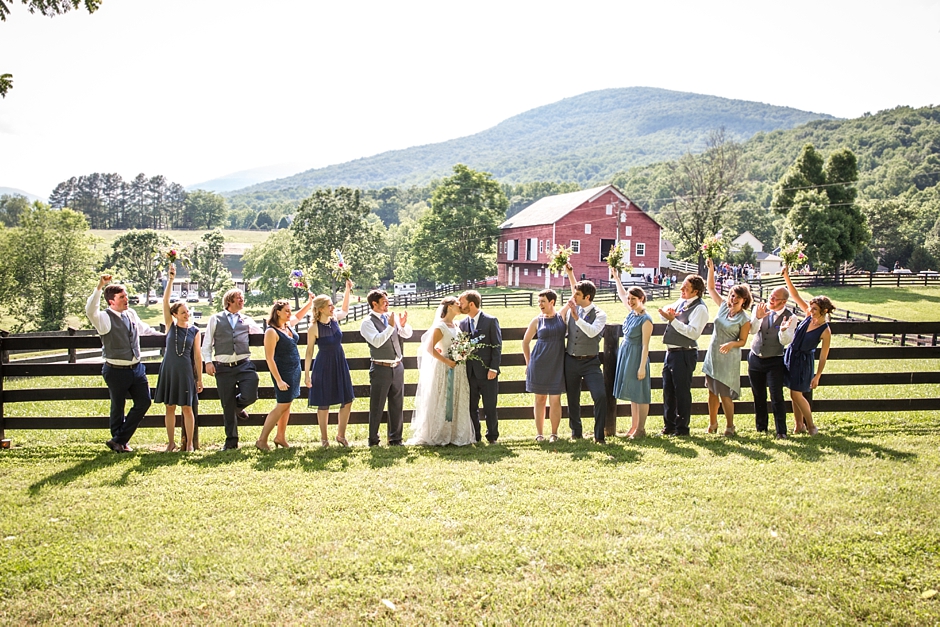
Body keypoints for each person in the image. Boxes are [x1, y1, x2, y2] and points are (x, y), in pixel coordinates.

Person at [86, 274, 162, 453]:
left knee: (144, 402)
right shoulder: (103, 319)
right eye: (122, 297)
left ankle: (118, 440)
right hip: (115, 370)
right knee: (117, 407)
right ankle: (120, 443)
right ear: (111, 301)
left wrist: (165, 337)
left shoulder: (130, 314)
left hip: (136, 368)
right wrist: (99, 286)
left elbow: (145, 330)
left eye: (126, 296)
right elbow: (90, 310)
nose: (127, 299)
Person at [407, 296, 475, 446]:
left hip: (458, 368)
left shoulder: (455, 325)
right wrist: (446, 361)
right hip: (445, 368)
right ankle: (441, 433)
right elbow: (429, 347)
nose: (460, 306)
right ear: (449, 307)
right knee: (444, 398)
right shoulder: (441, 326)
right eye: (457, 304)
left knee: (457, 398)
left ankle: (455, 433)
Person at [202, 288, 264, 450]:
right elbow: (207, 343)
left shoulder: (246, 319)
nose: (242, 300)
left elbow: (262, 334)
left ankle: (238, 407)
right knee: (226, 404)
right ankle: (231, 441)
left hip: (244, 364)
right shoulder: (215, 319)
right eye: (239, 298)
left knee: (251, 392)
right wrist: (208, 362)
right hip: (223, 367)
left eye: (242, 298)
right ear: (229, 301)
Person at [255, 294, 315, 451]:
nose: (289, 314)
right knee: (282, 405)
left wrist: (309, 303)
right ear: (278, 312)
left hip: (294, 370)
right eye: (286, 311)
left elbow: (298, 316)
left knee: (287, 405)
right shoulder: (271, 332)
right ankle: (262, 440)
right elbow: (269, 358)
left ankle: (280, 437)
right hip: (282, 372)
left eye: (289, 311)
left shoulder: (287, 326)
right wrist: (279, 380)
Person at [154, 264, 203, 452]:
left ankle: (189, 443)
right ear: (175, 315)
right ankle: (171, 443)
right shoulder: (171, 326)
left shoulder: (195, 331)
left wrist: (199, 378)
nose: (186, 314)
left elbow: (197, 357)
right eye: (182, 312)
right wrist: (171, 279)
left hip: (185, 372)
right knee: (169, 407)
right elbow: (165, 301)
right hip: (169, 371)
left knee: (187, 408)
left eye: (187, 311)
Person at [701, 259, 752, 436]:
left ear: (744, 299)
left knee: (725, 394)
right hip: (714, 354)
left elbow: (743, 341)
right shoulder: (723, 307)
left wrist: (732, 344)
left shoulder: (744, 319)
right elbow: (711, 289)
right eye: (731, 295)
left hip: (728, 357)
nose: (733, 298)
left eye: (737, 296)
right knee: (711, 393)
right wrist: (711, 270)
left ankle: (730, 426)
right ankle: (712, 423)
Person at [781, 267, 833, 436]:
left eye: (815, 310)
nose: (811, 312)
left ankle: (811, 426)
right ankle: (798, 425)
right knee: (793, 393)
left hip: (804, 362)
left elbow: (824, 355)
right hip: (791, 356)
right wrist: (786, 276)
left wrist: (817, 376)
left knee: (797, 394)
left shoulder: (825, 331)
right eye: (810, 308)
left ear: (824, 311)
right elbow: (795, 295)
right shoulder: (807, 315)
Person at [304, 280, 355, 448]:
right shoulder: (313, 328)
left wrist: (348, 289)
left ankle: (341, 435)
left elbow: (346, 310)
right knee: (323, 403)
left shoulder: (335, 320)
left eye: (332, 305)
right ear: (320, 309)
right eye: (329, 305)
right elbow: (309, 351)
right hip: (324, 365)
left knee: (347, 399)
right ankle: (324, 439)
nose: (333, 308)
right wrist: (306, 375)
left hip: (340, 363)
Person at [657, 273, 708, 436]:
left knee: (682, 392)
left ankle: (682, 428)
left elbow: (693, 333)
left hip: (685, 353)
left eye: (686, 288)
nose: (681, 289)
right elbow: (664, 313)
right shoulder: (682, 302)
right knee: (668, 391)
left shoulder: (700, 308)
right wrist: (667, 312)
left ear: (696, 292)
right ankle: (669, 426)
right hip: (671, 352)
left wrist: (673, 320)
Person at [360, 289, 413, 446]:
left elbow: (407, 334)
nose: (387, 305)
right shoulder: (367, 323)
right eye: (384, 303)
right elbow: (377, 341)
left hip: (397, 366)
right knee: (377, 405)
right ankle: (373, 439)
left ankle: (396, 438)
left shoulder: (391, 318)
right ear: (374, 304)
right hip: (380, 367)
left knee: (397, 404)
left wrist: (402, 326)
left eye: (387, 302)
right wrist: (390, 327)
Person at [562, 263, 608, 443]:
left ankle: (599, 435)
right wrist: (570, 273)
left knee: (600, 395)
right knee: (572, 398)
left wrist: (576, 318)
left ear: (587, 297)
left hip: (590, 362)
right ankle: (576, 432)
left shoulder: (600, 314)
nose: (574, 297)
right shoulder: (574, 309)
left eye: (578, 295)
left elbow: (592, 332)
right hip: (571, 360)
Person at [748, 286, 796, 439]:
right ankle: (761, 427)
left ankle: (781, 431)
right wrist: (757, 317)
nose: (771, 300)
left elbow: (786, 341)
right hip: (756, 357)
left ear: (784, 301)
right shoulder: (759, 308)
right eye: (771, 296)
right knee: (758, 394)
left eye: (775, 298)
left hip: (774, 360)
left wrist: (782, 330)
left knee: (776, 395)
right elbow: (752, 330)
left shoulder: (791, 317)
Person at [611, 268, 653, 439]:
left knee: (640, 392)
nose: (630, 301)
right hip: (626, 354)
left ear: (641, 299)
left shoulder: (645, 319)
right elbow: (622, 294)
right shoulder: (632, 314)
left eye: (633, 299)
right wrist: (616, 278)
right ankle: (634, 425)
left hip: (637, 356)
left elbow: (645, 345)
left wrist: (642, 366)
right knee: (633, 395)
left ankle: (641, 429)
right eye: (629, 299)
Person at [522, 289, 569, 442]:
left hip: (557, 364)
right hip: (538, 363)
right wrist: (529, 363)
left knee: (555, 399)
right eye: (539, 301)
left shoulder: (561, 316)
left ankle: (554, 434)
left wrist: (569, 272)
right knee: (540, 399)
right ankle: (539, 434)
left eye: (543, 301)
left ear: (552, 302)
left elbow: (575, 294)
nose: (540, 304)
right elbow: (525, 342)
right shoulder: (537, 321)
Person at [458, 290, 503, 443]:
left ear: (471, 304)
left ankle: (492, 436)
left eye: (462, 303)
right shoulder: (462, 323)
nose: (460, 306)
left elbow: (497, 346)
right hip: (469, 373)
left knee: (490, 406)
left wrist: (493, 368)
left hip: (487, 372)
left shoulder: (491, 321)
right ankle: (475, 436)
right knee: (471, 407)